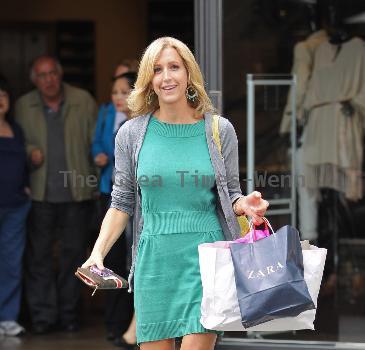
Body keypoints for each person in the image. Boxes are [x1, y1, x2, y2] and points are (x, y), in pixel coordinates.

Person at [82, 37, 268, 350]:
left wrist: (244, 205)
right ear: (148, 80)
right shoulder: (131, 134)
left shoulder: (219, 131)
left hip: (205, 260)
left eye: (174, 67)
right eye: (157, 69)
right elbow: (121, 203)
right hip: (154, 261)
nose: (166, 76)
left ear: (188, 74)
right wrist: (97, 253)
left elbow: (231, 194)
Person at [15, 55, 98, 334]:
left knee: (74, 259)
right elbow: (14, 141)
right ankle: (42, 318)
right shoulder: (23, 106)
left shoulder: (83, 100)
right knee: (38, 259)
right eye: (42, 75)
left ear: (60, 74)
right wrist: (28, 152)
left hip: (77, 193)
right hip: (39, 196)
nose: (48, 79)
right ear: (34, 80)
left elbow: (96, 140)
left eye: (52, 73)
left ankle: (69, 316)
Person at [92, 72, 137, 346]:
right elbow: (96, 141)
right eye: (115, 92)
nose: (118, 98)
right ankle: (120, 325)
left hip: (140, 202)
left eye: (124, 92)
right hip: (114, 195)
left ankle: (131, 328)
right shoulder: (113, 119)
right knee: (120, 260)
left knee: (134, 261)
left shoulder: (142, 126)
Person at [0, 76, 30, 337]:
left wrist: (27, 185)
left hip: (15, 207)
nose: (0, 100)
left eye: (3, 95)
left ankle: (8, 318)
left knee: (11, 262)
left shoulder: (16, 129)